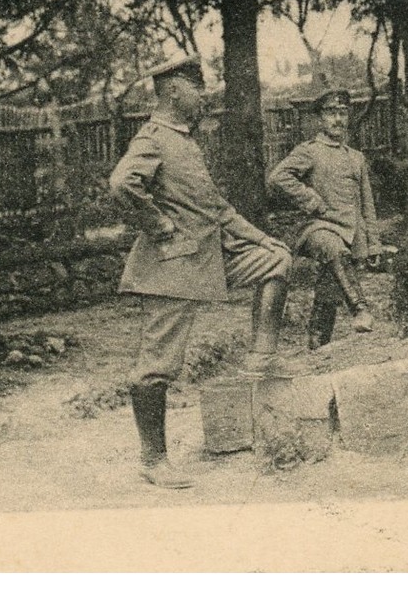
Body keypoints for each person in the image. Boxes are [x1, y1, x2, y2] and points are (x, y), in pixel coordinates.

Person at [108, 57, 302, 489]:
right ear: (174, 90)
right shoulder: (154, 138)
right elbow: (122, 183)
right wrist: (158, 225)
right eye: (197, 89)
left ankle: (261, 357)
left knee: (277, 260)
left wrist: (264, 240)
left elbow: (218, 210)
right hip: (171, 267)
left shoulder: (186, 142)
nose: (204, 97)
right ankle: (153, 459)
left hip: (208, 259)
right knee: (157, 365)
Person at [267, 88, 382, 349]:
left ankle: (318, 346)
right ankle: (360, 309)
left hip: (349, 231)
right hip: (317, 227)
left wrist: (373, 244)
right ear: (320, 118)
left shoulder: (356, 158)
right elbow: (278, 177)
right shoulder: (310, 151)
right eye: (331, 113)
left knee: (329, 288)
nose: (338, 119)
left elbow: (367, 204)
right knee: (333, 249)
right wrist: (312, 200)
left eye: (342, 113)